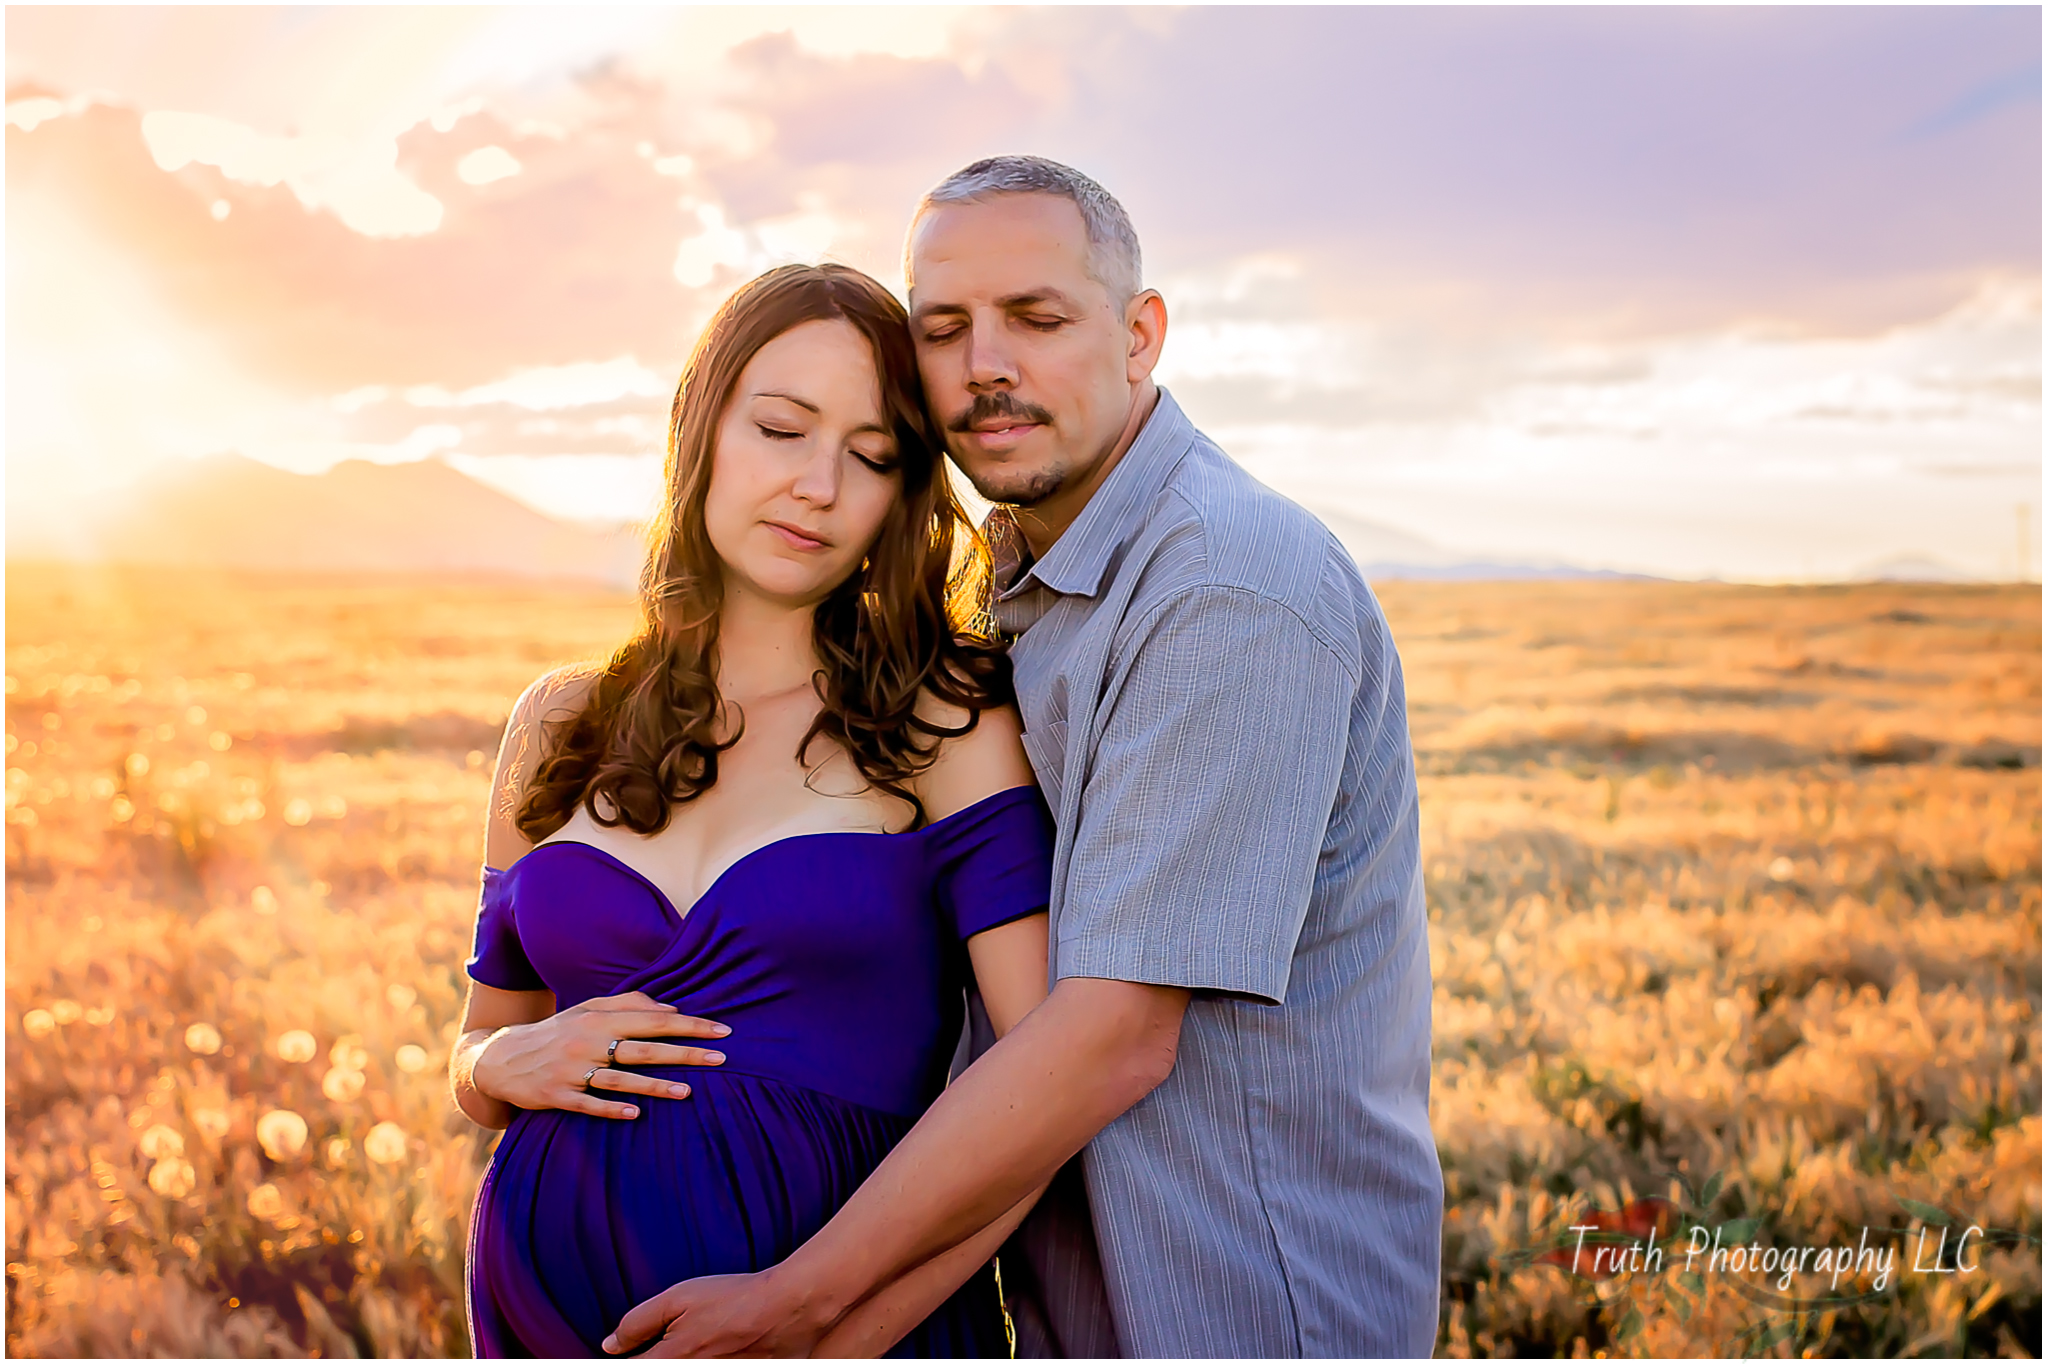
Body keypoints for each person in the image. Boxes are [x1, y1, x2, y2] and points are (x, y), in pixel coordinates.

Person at [604, 156, 1444, 1359]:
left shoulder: (1225, 588)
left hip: (1241, 1304)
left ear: (1139, 334)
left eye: (1037, 319)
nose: (983, 364)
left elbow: (1109, 1030)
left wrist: (807, 1303)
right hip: (1070, 1304)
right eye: (942, 329)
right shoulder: (1025, 587)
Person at [447, 262, 1060, 1358]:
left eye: (871, 455)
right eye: (781, 428)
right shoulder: (556, 722)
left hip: (838, 1329)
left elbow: (1044, 1085)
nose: (818, 484)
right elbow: (483, 1042)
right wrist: (494, 1065)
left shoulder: (943, 718)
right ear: (701, 424)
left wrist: (824, 1314)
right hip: (546, 1321)